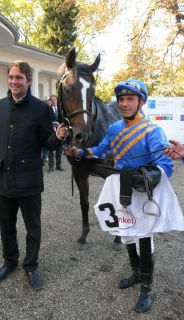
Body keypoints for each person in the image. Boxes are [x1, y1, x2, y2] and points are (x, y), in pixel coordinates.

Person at [65, 79, 184, 313]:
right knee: (127, 231)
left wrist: (148, 175)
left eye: (130, 99)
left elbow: (165, 166)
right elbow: (101, 150)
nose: (125, 104)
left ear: (141, 102)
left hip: (143, 192)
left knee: (144, 238)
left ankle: (147, 288)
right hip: (122, 189)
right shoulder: (114, 129)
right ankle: (136, 273)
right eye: (121, 99)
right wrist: (80, 151)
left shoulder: (152, 130)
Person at [0, 61, 67, 289]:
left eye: (18, 77)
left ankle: (31, 265)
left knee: (33, 227)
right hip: (3, 178)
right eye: (11, 77)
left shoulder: (41, 109)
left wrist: (58, 137)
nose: (13, 81)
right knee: (6, 225)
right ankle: (10, 262)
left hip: (29, 179)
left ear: (28, 81)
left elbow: (47, 144)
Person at [48, 94, 64, 172]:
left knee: (59, 149)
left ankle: (58, 165)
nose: (53, 101)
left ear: (57, 100)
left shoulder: (61, 110)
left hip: (60, 132)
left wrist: (60, 127)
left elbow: (63, 120)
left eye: (55, 100)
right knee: (51, 149)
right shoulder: (47, 109)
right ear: (50, 101)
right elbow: (46, 120)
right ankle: (50, 167)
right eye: (52, 100)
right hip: (51, 132)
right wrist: (52, 126)